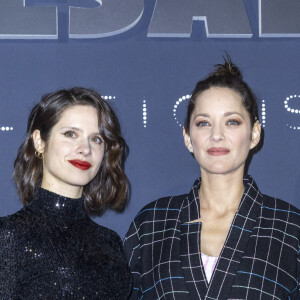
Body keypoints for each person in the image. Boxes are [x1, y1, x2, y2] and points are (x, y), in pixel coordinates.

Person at [124, 57, 300, 299]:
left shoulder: (290, 227)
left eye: (232, 122)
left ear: (255, 134)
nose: (217, 135)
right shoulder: (152, 223)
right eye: (204, 123)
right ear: (188, 137)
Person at [0, 87, 132, 299]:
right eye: (71, 134)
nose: (85, 149)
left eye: (96, 139)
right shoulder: (8, 236)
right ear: (39, 141)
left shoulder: (110, 241)